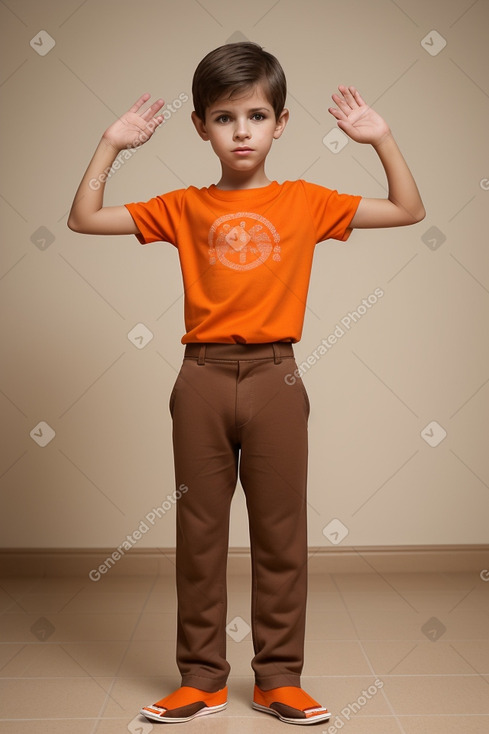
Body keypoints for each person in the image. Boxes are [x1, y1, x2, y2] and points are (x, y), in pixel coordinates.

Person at [68, 41, 425, 726]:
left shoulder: (307, 202)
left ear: (280, 124)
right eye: (224, 117)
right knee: (198, 534)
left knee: (279, 534)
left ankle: (278, 679)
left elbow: (408, 210)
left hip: (276, 379)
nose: (241, 131)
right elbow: (83, 219)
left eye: (256, 116)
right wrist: (111, 145)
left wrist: (381, 139)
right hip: (200, 379)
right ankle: (200, 678)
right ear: (200, 126)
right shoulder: (182, 207)